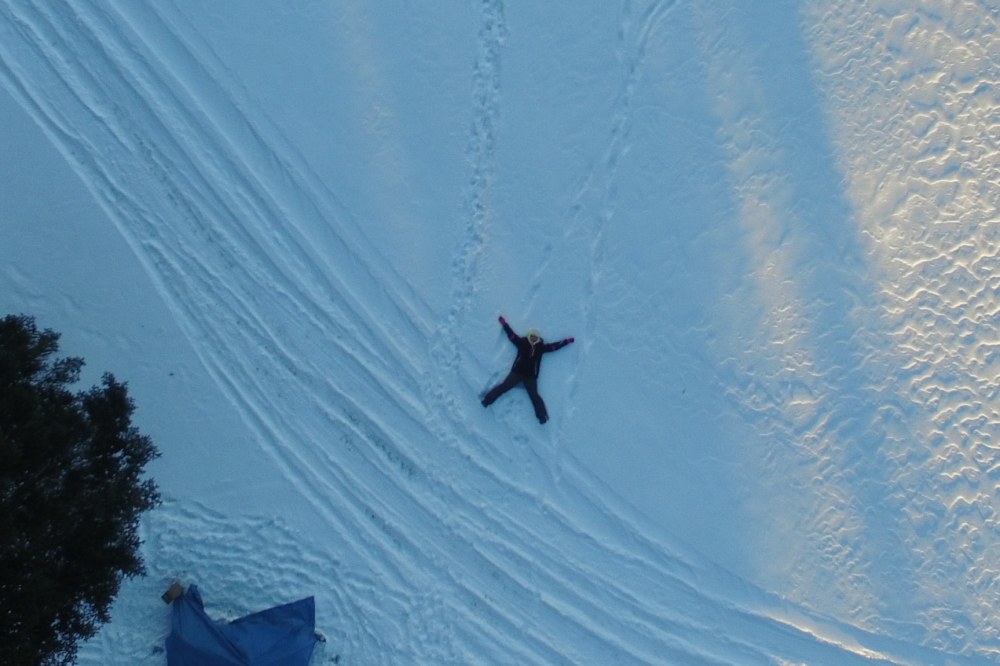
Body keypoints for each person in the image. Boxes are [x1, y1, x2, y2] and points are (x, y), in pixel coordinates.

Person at [481, 316, 574, 424]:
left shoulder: (540, 347)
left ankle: (542, 416)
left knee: (534, 396)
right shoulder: (522, 342)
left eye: (535, 337)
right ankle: (487, 400)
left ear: (538, 338)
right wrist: (504, 323)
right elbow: (511, 335)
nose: (533, 338)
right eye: (532, 336)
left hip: (530, 377)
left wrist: (566, 341)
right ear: (529, 336)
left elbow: (554, 347)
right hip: (517, 372)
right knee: (503, 387)